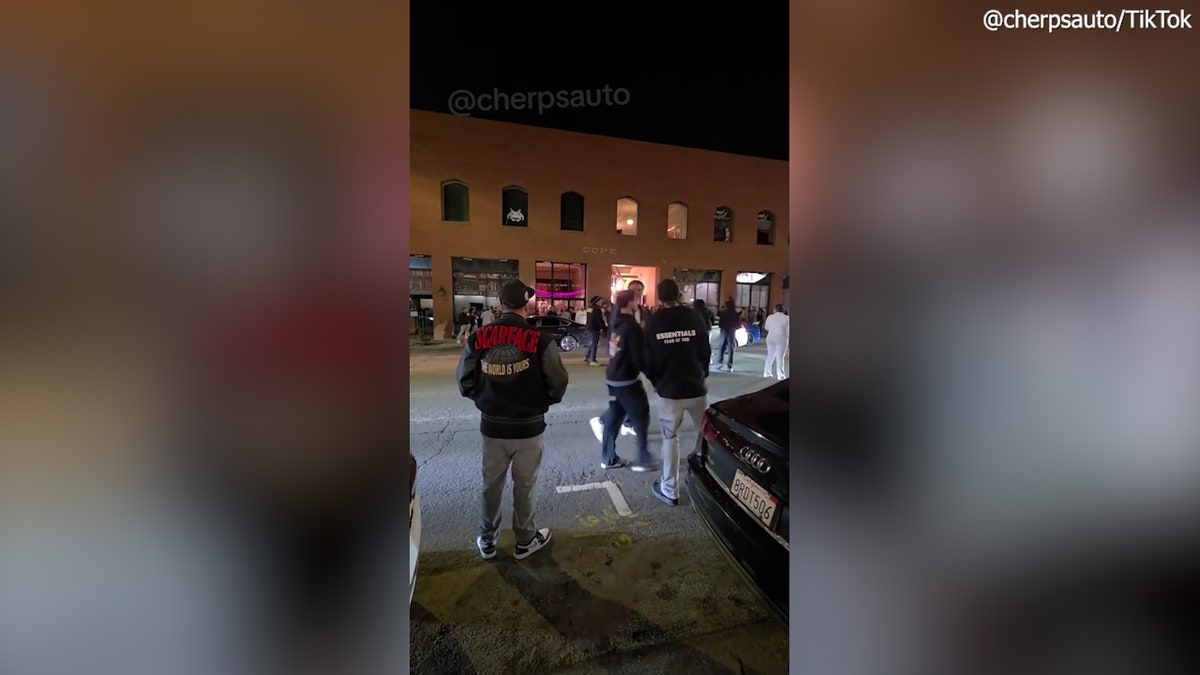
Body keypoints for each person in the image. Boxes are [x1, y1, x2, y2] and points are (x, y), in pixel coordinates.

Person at [457, 280, 568, 560]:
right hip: (528, 427)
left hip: (493, 425)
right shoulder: (540, 340)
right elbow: (557, 383)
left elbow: (464, 381)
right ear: (526, 304)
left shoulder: (479, 336)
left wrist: (484, 399)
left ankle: (487, 540)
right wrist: (542, 403)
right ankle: (525, 540)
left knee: (490, 486)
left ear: (500, 304)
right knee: (526, 486)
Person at [643, 278, 711, 505]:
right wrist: (703, 373)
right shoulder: (694, 316)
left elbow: (648, 357)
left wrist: (656, 381)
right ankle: (710, 481)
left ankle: (670, 489)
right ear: (679, 294)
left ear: (659, 297)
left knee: (670, 438)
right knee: (705, 435)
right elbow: (705, 348)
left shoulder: (654, 321)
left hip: (670, 391)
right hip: (695, 386)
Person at [593, 290, 655, 471]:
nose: (638, 301)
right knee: (641, 416)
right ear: (630, 302)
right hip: (627, 380)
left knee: (615, 417)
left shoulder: (615, 321)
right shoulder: (632, 327)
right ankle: (643, 459)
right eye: (636, 299)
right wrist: (655, 378)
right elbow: (639, 358)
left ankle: (608, 458)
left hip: (613, 377)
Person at [762, 303, 790, 379]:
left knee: (770, 355)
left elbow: (766, 328)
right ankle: (780, 375)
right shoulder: (787, 318)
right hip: (781, 338)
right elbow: (788, 332)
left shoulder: (770, 317)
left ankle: (766, 373)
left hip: (770, 338)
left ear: (775, 309)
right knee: (780, 357)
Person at [717, 299, 740, 372]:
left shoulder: (723, 313)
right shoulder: (736, 314)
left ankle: (720, 363)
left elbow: (720, 324)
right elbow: (738, 325)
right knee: (731, 348)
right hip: (732, 331)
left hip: (724, 331)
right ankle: (729, 365)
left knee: (722, 347)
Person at [584, 295, 607, 366]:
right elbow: (599, 320)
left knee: (592, 343)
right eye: (600, 300)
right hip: (595, 328)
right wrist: (603, 328)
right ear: (596, 301)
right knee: (595, 344)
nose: (602, 302)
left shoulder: (589, 308)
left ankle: (587, 357)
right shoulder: (597, 309)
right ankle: (593, 360)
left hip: (589, 327)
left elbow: (589, 318)